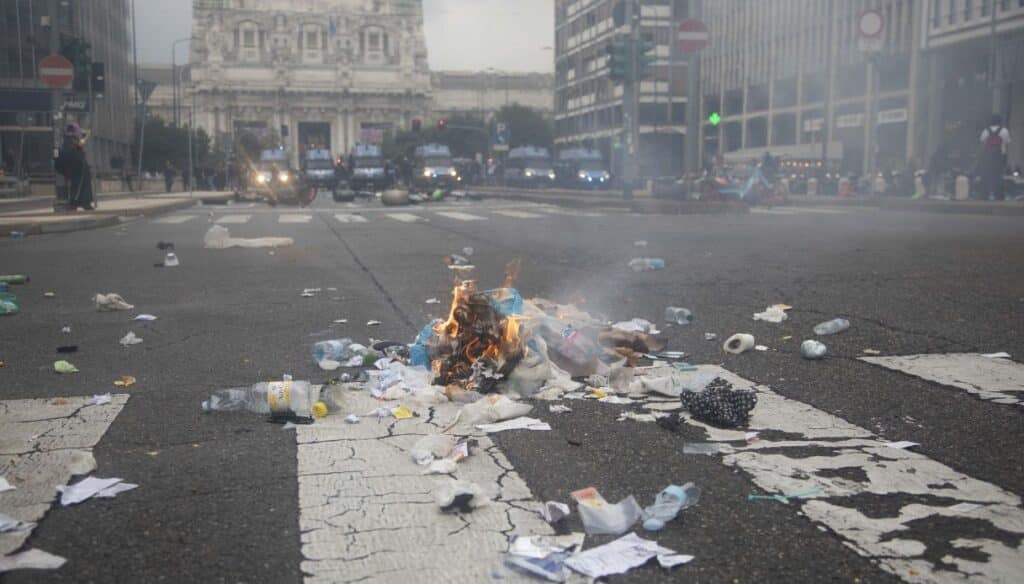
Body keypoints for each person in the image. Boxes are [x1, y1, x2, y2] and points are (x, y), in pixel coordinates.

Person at [54, 123, 95, 210]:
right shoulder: (73, 139)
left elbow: (58, 153)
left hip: (72, 167)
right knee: (81, 185)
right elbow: (80, 145)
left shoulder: (66, 139)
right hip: (78, 167)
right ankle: (80, 203)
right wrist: (87, 135)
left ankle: (77, 203)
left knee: (76, 185)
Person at [978, 114, 1011, 200]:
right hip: (999, 157)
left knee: (986, 175)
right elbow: (1006, 144)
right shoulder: (1004, 131)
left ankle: (984, 195)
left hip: (987, 157)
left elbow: (982, 145)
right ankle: (999, 195)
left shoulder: (985, 131)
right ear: (1000, 121)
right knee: (998, 176)